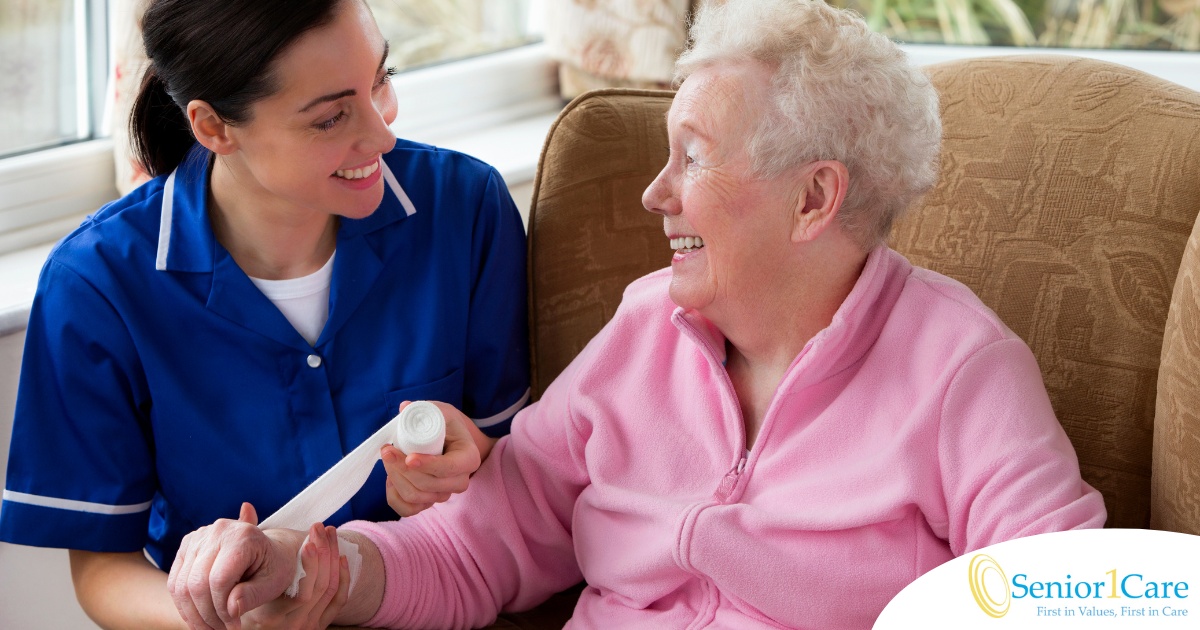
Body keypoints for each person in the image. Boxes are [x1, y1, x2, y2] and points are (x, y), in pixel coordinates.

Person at [170, 0, 1109, 628]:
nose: (655, 194)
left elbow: (1062, 598)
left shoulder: (957, 368)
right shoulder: (643, 329)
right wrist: (314, 570)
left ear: (815, 198)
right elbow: (477, 546)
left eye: (691, 158)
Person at [0, 0, 530, 627]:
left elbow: (526, 462)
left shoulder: (464, 209)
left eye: (380, 80)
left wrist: (473, 458)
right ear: (214, 126)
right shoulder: (96, 286)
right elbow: (101, 572)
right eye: (331, 117)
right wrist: (231, 623)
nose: (382, 134)